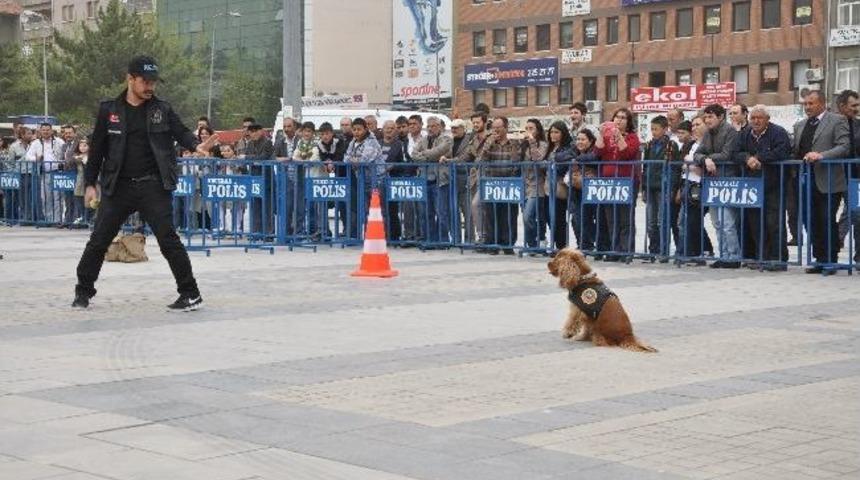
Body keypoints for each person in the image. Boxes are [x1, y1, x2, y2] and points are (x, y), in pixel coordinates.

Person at [73, 55, 216, 310]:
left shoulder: (162, 109)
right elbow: (97, 151)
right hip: (118, 187)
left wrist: (196, 144)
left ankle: (190, 293)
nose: (150, 87)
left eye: (153, 82)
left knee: (168, 240)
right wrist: (90, 184)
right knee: (99, 240)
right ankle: (83, 291)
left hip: (153, 186)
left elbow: (182, 132)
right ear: (130, 79)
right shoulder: (109, 110)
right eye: (145, 81)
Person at [793, 91, 851, 274]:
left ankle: (830, 259)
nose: (807, 107)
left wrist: (822, 156)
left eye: (811, 103)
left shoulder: (837, 120)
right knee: (809, 220)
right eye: (805, 104)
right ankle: (819, 258)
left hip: (829, 180)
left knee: (826, 219)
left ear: (822, 103)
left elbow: (844, 146)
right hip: (805, 180)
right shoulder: (799, 125)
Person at [732, 105, 792, 271]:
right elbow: (735, 152)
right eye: (753, 118)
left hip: (774, 183)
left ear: (767, 119)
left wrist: (759, 158)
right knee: (755, 222)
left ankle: (778, 259)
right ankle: (761, 257)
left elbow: (783, 151)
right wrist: (747, 158)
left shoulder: (778, 132)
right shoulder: (745, 134)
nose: (756, 121)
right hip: (752, 185)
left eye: (760, 118)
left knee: (774, 222)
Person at [694, 103, 741, 268]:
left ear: (721, 117)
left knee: (727, 221)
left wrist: (709, 158)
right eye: (705, 117)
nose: (707, 120)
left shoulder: (730, 131)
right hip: (713, 184)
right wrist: (705, 159)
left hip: (727, 181)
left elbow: (727, 154)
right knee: (717, 222)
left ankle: (733, 257)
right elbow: (697, 153)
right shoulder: (707, 134)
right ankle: (724, 255)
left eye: (710, 116)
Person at [594, 108, 640, 261]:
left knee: (626, 218)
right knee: (611, 218)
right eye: (616, 117)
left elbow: (626, 153)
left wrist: (619, 137)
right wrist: (601, 134)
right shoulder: (606, 136)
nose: (619, 120)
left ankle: (626, 251)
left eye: (623, 118)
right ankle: (615, 250)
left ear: (628, 122)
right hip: (608, 182)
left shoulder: (633, 137)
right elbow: (598, 152)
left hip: (626, 181)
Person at [478, 116, 521, 255]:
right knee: (491, 214)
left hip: (509, 183)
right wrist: (488, 143)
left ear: (506, 128)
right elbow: (480, 160)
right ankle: (493, 244)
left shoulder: (514, 143)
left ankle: (508, 244)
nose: (495, 130)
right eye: (494, 128)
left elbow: (517, 161)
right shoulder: (489, 142)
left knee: (509, 215)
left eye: (498, 128)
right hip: (492, 183)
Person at [641, 115, 681, 262]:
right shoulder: (648, 145)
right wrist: (643, 187)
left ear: (665, 129)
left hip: (664, 186)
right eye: (652, 129)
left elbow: (675, 169)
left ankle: (663, 251)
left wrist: (672, 187)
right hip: (650, 186)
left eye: (656, 129)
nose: (653, 132)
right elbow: (644, 167)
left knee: (662, 220)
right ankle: (653, 250)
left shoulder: (671, 145)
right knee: (651, 221)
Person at [410, 116, 453, 244]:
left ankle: (442, 240)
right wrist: (430, 155)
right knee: (425, 213)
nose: (430, 128)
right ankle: (429, 239)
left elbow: (440, 151)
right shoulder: (422, 140)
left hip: (440, 181)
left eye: (433, 126)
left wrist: (425, 154)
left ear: (440, 127)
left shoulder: (446, 139)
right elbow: (413, 155)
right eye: (428, 126)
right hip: (424, 180)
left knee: (441, 213)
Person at [344, 117, 383, 238]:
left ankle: (378, 236)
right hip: (361, 180)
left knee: (376, 210)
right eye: (354, 129)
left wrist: (354, 160)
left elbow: (364, 160)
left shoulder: (372, 142)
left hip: (376, 180)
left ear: (365, 129)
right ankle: (368, 235)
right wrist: (354, 160)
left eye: (359, 129)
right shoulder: (353, 142)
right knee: (365, 210)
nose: (356, 132)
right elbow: (345, 158)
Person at [834, 89, 860, 269]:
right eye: (854, 105)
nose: (857, 109)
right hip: (835, 175)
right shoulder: (833, 123)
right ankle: (830, 252)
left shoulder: (858, 125)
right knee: (836, 214)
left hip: (856, 177)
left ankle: (858, 257)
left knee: (856, 213)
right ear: (842, 106)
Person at [26, 122, 65, 223]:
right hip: (44, 173)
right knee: (46, 198)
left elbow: (65, 155)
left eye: (48, 130)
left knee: (58, 197)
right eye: (43, 130)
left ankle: (58, 220)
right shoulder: (35, 143)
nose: (46, 132)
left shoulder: (59, 142)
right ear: (40, 131)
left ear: (51, 131)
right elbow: (28, 156)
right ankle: (49, 219)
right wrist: (36, 158)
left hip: (58, 173)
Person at [520, 119, 549, 253]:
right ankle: (532, 244)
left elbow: (537, 158)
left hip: (537, 184)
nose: (528, 131)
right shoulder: (523, 145)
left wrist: (531, 141)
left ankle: (538, 241)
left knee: (530, 215)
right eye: (526, 128)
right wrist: (517, 144)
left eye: (531, 128)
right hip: (524, 185)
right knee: (528, 217)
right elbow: (515, 159)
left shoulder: (543, 144)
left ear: (537, 130)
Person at [444, 118, 474, 243]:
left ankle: (469, 240)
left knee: (468, 211)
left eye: (456, 128)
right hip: (452, 178)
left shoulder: (469, 140)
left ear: (463, 128)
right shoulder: (450, 141)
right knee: (453, 211)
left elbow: (464, 158)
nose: (453, 130)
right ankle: (456, 239)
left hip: (465, 178)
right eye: (452, 128)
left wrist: (447, 161)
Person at [293, 121, 322, 239]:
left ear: (313, 133)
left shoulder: (316, 144)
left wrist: (303, 159)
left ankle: (314, 230)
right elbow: (295, 156)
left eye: (309, 131)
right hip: (304, 177)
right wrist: (304, 160)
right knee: (305, 204)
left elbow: (314, 158)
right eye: (305, 131)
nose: (306, 133)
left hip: (315, 177)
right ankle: (306, 230)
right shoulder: (300, 143)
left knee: (314, 205)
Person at [379, 120, 405, 241]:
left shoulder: (399, 144)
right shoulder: (377, 143)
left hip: (393, 180)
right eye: (387, 128)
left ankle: (394, 235)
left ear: (395, 130)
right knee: (379, 209)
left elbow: (404, 163)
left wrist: (393, 166)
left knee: (392, 209)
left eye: (392, 128)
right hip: (378, 181)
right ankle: (382, 234)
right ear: (382, 129)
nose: (389, 130)